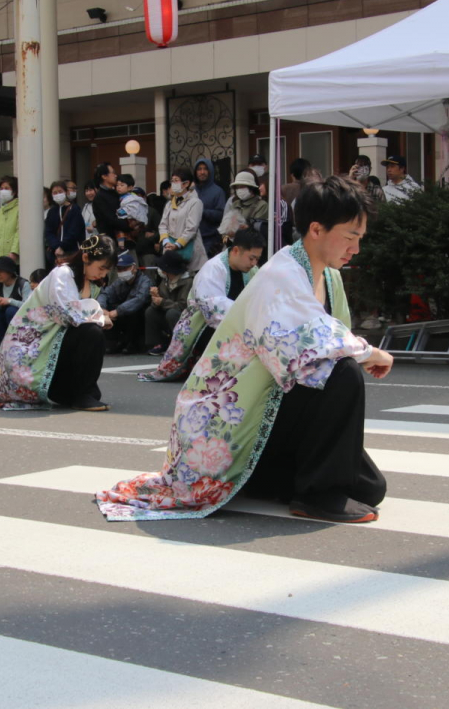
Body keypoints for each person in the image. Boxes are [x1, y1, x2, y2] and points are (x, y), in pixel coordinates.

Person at [97, 175, 395, 523]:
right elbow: (311, 346)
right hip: (233, 422)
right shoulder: (281, 273)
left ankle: (283, 481)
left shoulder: (329, 277)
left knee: (371, 488)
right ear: (316, 229)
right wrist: (370, 352)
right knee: (342, 372)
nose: (355, 248)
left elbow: (333, 337)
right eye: (350, 237)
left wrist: (356, 351)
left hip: (275, 406)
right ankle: (316, 496)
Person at [0, 235, 116, 411]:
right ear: (86, 257)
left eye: (107, 270)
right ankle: (79, 394)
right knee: (92, 333)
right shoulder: (63, 274)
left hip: (52, 337)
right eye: (102, 268)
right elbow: (66, 315)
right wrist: (98, 315)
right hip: (33, 343)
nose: (103, 274)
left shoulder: (88, 280)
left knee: (92, 332)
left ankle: (75, 392)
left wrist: (96, 315)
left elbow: (77, 313)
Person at [141, 227, 264, 382]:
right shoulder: (213, 268)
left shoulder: (252, 271)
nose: (254, 263)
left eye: (257, 259)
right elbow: (213, 308)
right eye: (251, 258)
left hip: (237, 322)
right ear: (236, 250)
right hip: (203, 324)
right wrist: (248, 316)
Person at [99, 251, 152, 353]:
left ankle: (132, 343)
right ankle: (112, 342)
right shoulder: (119, 282)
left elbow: (139, 299)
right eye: (119, 269)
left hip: (139, 316)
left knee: (132, 312)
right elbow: (105, 294)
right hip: (121, 314)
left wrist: (118, 311)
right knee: (109, 309)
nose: (122, 271)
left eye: (125, 268)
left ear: (133, 268)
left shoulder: (145, 281)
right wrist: (102, 308)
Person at [144, 249, 194, 355]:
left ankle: (179, 345)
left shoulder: (188, 282)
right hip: (167, 312)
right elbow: (160, 302)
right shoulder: (166, 280)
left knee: (172, 313)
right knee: (151, 311)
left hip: (183, 317)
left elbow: (183, 305)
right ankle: (158, 344)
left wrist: (162, 302)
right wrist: (155, 297)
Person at [158, 167, 207, 272]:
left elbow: (191, 228)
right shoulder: (169, 204)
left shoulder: (195, 202)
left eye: (176, 181)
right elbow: (163, 225)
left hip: (190, 250)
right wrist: (166, 242)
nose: (173, 184)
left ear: (185, 184)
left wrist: (177, 244)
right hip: (170, 249)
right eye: (172, 181)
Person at [0, 255, 32, 347]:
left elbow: (28, 306)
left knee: (11, 310)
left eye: (1, 271)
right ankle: (3, 341)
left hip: (21, 319)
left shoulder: (23, 284)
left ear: (10, 272)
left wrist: (10, 301)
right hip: (2, 316)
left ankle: (15, 340)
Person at [45, 179, 86, 268]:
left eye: (60, 191)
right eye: (55, 193)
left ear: (66, 192)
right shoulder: (52, 211)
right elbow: (49, 232)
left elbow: (75, 231)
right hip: (56, 254)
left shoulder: (74, 209)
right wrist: (56, 246)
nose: (58, 194)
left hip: (72, 252)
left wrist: (62, 247)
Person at [219, 169, 269, 243]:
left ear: (251, 188)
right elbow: (224, 229)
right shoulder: (235, 204)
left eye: (242, 187)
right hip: (235, 247)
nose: (239, 190)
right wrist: (226, 236)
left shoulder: (261, 205)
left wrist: (244, 228)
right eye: (237, 187)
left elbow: (259, 231)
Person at [192, 157, 227, 256]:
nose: (202, 172)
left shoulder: (218, 191)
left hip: (210, 240)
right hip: (191, 239)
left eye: (205, 169)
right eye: (199, 169)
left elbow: (220, 214)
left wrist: (202, 212)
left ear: (210, 171)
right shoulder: (191, 191)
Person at [92, 163, 130, 247]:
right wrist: (129, 225)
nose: (116, 175)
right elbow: (111, 219)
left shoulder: (115, 193)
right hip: (111, 242)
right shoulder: (100, 197)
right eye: (113, 173)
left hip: (126, 239)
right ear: (104, 176)